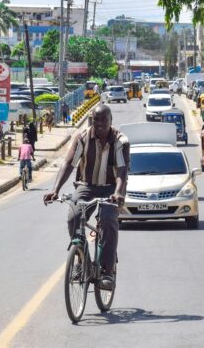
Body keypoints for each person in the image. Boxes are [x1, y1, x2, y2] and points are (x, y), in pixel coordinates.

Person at [43, 104, 128, 291]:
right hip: (86, 186)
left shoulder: (121, 141)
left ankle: (107, 270)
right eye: (96, 120)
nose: (99, 124)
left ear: (111, 121)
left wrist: (118, 193)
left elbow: (122, 171)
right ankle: (81, 259)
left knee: (108, 220)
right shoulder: (82, 137)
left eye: (103, 120)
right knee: (74, 217)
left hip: (111, 188)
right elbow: (69, 164)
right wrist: (55, 190)